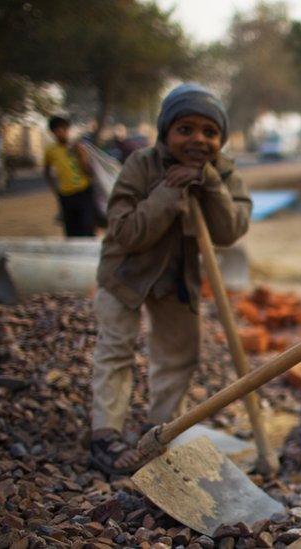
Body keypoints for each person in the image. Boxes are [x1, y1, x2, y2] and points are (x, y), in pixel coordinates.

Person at [90, 84, 251, 475]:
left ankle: (158, 432)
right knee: (116, 349)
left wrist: (210, 183)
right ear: (166, 132)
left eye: (209, 132)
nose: (198, 139)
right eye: (186, 129)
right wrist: (168, 190)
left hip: (177, 277)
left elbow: (230, 230)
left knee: (180, 353)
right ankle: (105, 437)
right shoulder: (141, 165)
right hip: (125, 273)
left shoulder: (224, 171)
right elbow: (125, 232)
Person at [43, 116, 98, 236]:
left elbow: (89, 172)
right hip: (66, 195)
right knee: (71, 231)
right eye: (57, 131)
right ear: (53, 133)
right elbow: (46, 171)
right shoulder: (50, 150)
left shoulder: (78, 146)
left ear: (67, 130)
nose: (61, 133)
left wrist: (82, 157)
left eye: (63, 130)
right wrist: (55, 189)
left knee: (87, 228)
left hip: (83, 191)